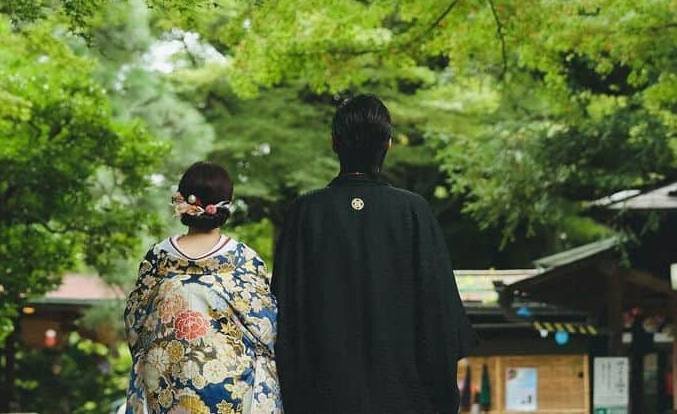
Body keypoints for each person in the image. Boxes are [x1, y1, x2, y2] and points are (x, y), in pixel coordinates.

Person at [272, 94, 476, 414]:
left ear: (333, 143)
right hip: (407, 400)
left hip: (323, 399)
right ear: (388, 144)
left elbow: (285, 319)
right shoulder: (414, 212)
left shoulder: (306, 213)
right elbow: (440, 320)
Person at [124, 162, 282, 414]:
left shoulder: (158, 258)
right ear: (227, 203)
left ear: (182, 200)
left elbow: (135, 325)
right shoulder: (244, 260)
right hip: (230, 391)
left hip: (166, 386)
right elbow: (266, 330)